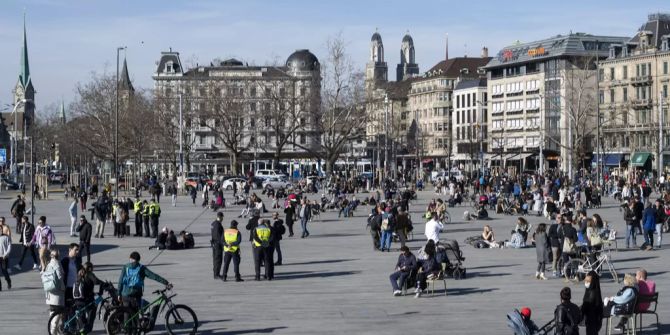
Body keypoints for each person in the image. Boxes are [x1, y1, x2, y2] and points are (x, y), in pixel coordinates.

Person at [117, 251, 171, 317]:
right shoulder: (141, 268)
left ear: (130, 258)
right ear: (138, 260)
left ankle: (126, 326)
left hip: (125, 295)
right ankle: (135, 326)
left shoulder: (125, 267)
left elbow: (120, 281)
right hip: (136, 295)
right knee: (135, 314)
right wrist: (166, 282)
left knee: (126, 313)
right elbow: (154, 276)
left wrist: (119, 293)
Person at [77, 262, 105, 333]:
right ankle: (87, 328)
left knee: (81, 314)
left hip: (79, 298)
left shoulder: (80, 273)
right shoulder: (89, 274)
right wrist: (102, 286)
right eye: (92, 268)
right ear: (89, 268)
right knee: (92, 313)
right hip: (88, 298)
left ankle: (82, 328)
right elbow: (96, 281)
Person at [45, 248, 65, 335]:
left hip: (50, 293)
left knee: (53, 315)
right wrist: (63, 287)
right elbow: (60, 276)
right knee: (56, 318)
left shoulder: (48, 264)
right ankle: (53, 333)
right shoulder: (56, 263)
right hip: (57, 294)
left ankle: (54, 332)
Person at [211, 212, 224, 279]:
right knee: (218, 259)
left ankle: (216, 273)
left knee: (215, 259)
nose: (223, 219)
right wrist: (222, 244)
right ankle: (216, 274)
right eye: (222, 218)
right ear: (220, 217)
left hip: (214, 244)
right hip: (217, 244)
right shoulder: (217, 224)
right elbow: (218, 236)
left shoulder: (213, 223)